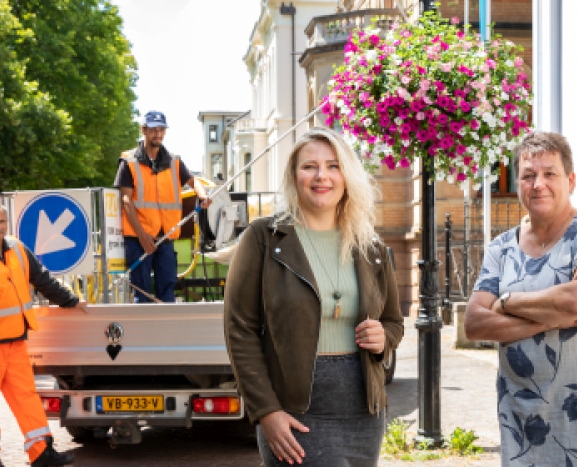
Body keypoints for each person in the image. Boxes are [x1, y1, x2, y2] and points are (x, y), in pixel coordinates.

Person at [224, 127, 404, 466]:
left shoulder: (370, 247)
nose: (322, 176)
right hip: (294, 414)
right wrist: (266, 411)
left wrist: (384, 338)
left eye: (333, 166)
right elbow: (240, 331)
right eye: (310, 166)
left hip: (363, 413)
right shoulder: (262, 238)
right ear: (294, 175)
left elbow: (393, 321)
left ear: (347, 176)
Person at [465, 131, 577, 466]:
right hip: (524, 425)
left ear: (570, 181)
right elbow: (473, 322)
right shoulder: (501, 248)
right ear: (518, 184)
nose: (537, 183)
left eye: (549, 174)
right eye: (528, 175)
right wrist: (549, 317)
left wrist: (507, 302)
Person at [0, 202, 87, 467]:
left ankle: (40, 452)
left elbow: (43, 281)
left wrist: (71, 301)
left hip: (15, 343)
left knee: (27, 397)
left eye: (1, 222)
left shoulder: (18, 249)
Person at [114, 110, 212, 302]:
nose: (158, 134)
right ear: (143, 130)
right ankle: (144, 332)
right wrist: (142, 236)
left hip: (165, 238)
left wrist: (203, 195)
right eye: (153, 130)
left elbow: (195, 181)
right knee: (142, 294)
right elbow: (126, 201)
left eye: (161, 129)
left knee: (167, 292)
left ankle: (166, 332)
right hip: (138, 240)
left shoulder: (174, 161)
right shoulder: (129, 162)